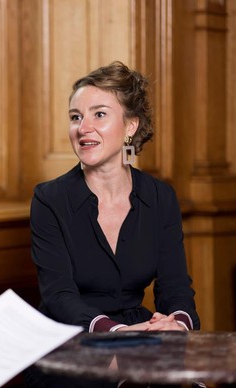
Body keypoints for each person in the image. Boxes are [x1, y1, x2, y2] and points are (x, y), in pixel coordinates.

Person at [25, 62, 200, 387]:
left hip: (138, 332)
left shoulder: (160, 197)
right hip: (70, 341)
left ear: (131, 125)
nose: (83, 127)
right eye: (76, 116)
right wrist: (117, 333)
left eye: (99, 114)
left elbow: (175, 287)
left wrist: (176, 323)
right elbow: (58, 296)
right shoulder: (49, 199)